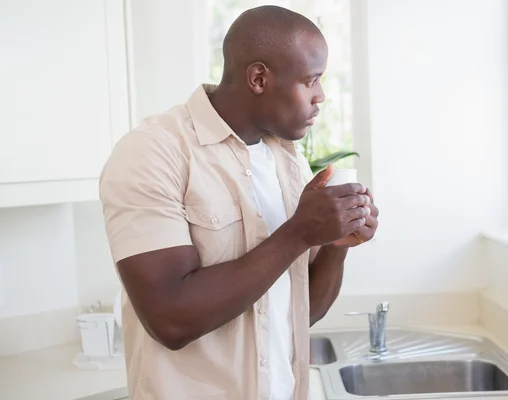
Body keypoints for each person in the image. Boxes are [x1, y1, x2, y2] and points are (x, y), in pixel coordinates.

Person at [99, 5, 379, 400]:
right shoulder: (152, 152)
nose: (322, 96)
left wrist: (336, 244)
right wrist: (299, 233)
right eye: (310, 80)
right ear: (259, 78)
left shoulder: (289, 160)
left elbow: (303, 311)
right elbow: (169, 320)